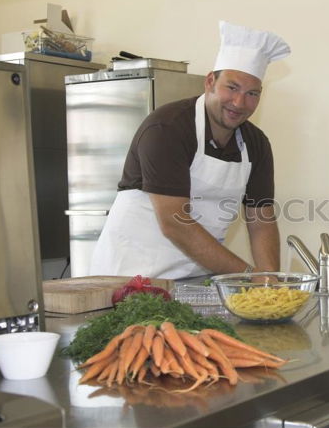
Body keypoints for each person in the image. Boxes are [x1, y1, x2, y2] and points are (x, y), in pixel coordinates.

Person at [89, 21, 290, 279]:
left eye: (252, 93)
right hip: (131, 278)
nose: (240, 103)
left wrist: (269, 280)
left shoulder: (256, 144)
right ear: (209, 82)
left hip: (195, 279)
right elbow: (175, 223)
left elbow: (261, 221)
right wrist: (249, 276)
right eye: (232, 87)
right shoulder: (167, 128)